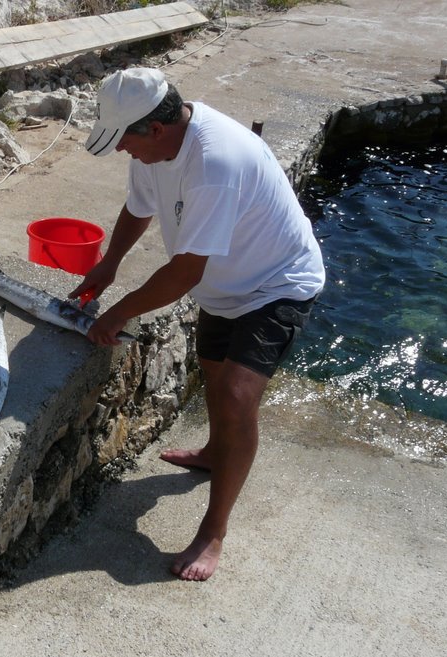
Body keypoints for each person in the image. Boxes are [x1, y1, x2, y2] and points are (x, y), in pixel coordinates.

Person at [71, 67, 325, 581]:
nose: (123, 151)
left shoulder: (214, 161)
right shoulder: (154, 146)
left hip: (276, 281)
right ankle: (214, 452)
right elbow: (137, 209)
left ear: (156, 129)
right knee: (211, 369)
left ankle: (214, 532)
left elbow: (186, 271)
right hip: (224, 285)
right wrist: (109, 263)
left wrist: (120, 312)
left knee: (235, 394)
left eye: (124, 141)